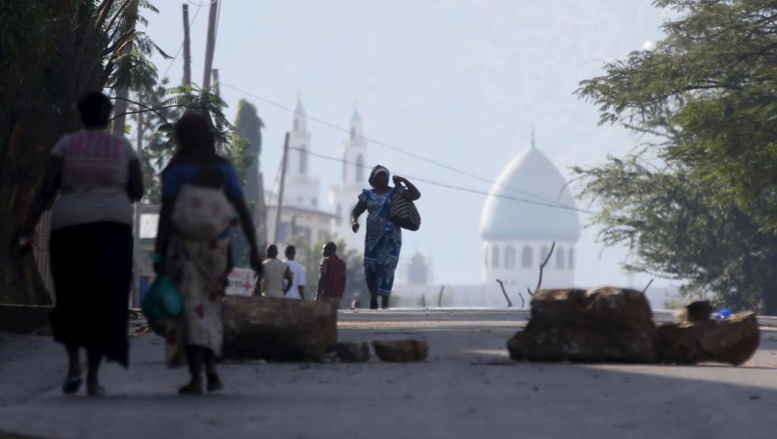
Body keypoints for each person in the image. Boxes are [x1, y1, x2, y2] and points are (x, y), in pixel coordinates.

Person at [19, 92, 144, 396]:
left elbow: (46, 189)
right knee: (106, 301)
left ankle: (74, 364)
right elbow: (138, 190)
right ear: (107, 115)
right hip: (113, 230)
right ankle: (92, 377)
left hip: (70, 227)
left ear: (80, 116)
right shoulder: (122, 147)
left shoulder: (66, 145)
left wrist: (25, 229)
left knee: (72, 297)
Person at [154, 110, 262, 395]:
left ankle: (196, 375)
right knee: (212, 308)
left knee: (190, 309)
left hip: (184, 249)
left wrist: (159, 253)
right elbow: (241, 209)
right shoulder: (222, 167)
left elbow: (166, 213)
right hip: (218, 249)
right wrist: (253, 250)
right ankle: (212, 368)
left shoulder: (176, 168)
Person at [350, 165, 420, 309]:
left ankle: (385, 300)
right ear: (373, 179)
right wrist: (354, 221)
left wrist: (403, 181)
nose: (383, 178)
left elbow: (416, 195)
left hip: (391, 237)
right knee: (371, 268)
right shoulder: (367, 195)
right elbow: (356, 211)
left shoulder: (396, 192)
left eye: (385, 175)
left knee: (387, 266)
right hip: (372, 238)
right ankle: (374, 296)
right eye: (379, 175)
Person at [316, 242, 347, 309]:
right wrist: (341, 293)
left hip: (326, 295)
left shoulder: (325, 261)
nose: (322, 251)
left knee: (324, 316)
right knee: (336, 317)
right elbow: (344, 280)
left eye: (324, 249)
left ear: (329, 250)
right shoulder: (342, 263)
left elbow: (322, 278)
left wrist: (318, 294)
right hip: (337, 297)